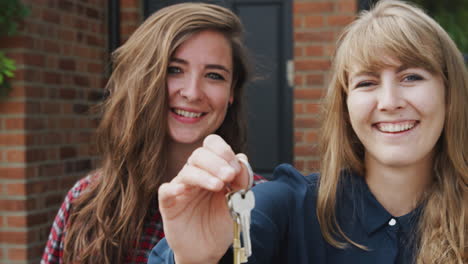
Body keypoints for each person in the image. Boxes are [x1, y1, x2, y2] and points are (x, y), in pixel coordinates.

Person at [149, 0, 468, 263]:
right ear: (345, 106)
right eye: (366, 82)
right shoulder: (286, 206)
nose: (389, 101)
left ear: (450, 92)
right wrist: (194, 258)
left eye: (411, 77)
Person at [41, 3, 265, 264]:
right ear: (142, 78)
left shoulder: (259, 203)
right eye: (174, 69)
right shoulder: (84, 200)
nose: (192, 92)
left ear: (231, 92)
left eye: (214, 75)